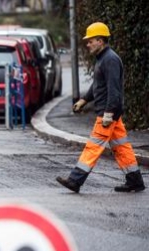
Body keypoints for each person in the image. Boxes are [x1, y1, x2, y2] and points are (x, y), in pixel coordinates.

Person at [56, 22, 145, 193]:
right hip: (110, 114)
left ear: (100, 41)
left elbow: (114, 90)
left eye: (90, 41)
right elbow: (98, 85)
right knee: (122, 147)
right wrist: (84, 100)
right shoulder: (102, 59)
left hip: (107, 114)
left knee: (93, 146)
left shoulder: (110, 59)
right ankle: (135, 181)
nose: (87, 44)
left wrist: (108, 114)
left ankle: (75, 180)